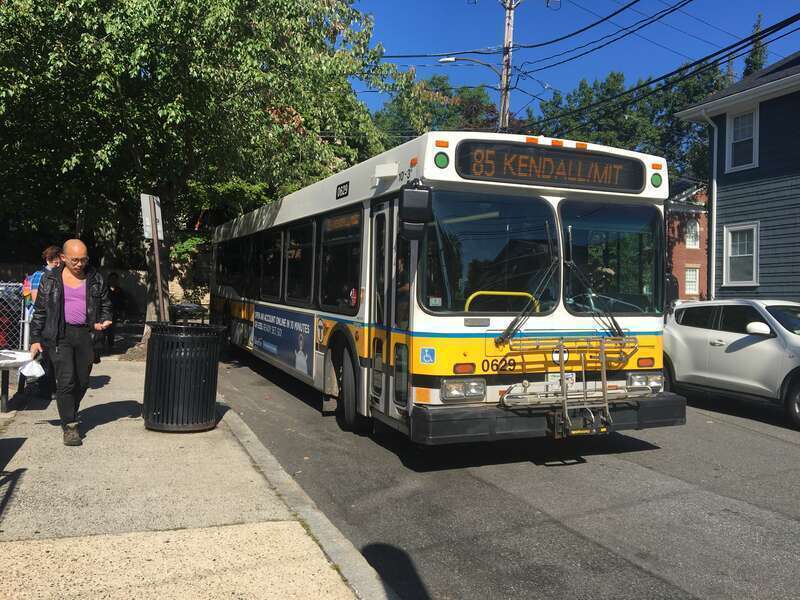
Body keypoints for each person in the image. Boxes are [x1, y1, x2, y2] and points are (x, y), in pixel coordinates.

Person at [29, 239, 112, 446]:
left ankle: (69, 411)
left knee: (82, 381)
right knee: (66, 381)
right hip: (60, 335)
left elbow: (105, 304)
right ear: (63, 258)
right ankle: (70, 426)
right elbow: (39, 311)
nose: (79, 264)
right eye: (74, 260)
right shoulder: (50, 280)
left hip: (86, 334)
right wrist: (35, 339)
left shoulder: (95, 278)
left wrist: (104, 320)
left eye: (83, 259)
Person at [22, 246, 61, 398]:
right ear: (48, 260)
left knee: (48, 357)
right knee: (44, 357)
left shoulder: (55, 275)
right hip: (42, 321)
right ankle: (44, 389)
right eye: (55, 263)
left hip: (50, 321)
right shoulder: (41, 275)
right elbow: (35, 298)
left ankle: (48, 387)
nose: (58, 265)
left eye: (59, 263)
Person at [104, 272, 126, 352]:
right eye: (112, 279)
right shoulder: (104, 289)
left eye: (115, 279)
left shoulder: (119, 291)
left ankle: (111, 345)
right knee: (103, 330)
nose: (113, 281)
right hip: (105, 312)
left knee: (111, 330)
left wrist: (122, 313)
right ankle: (101, 345)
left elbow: (122, 302)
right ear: (109, 280)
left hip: (114, 313)